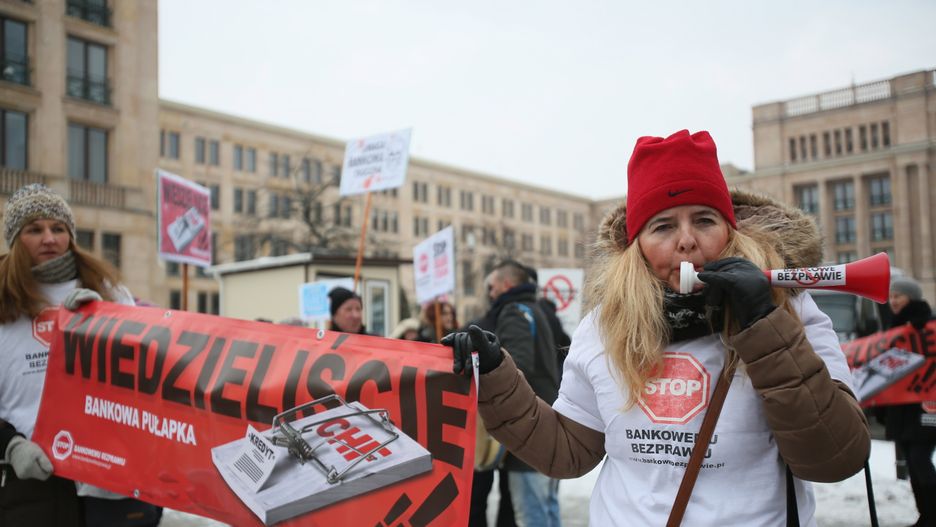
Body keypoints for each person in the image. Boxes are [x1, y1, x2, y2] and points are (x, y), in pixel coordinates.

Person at [443, 130, 870, 526]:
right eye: (663, 226)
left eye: (704, 220)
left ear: (729, 231)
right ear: (637, 247)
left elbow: (834, 458)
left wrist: (762, 324)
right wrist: (497, 376)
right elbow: (567, 450)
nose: (686, 241)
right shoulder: (605, 324)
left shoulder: (788, 311)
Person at [0, 184, 162, 526]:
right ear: (15, 240)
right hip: (34, 482)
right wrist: (10, 446)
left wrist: (106, 322)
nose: (49, 238)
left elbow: (147, 373)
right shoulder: (4, 304)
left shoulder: (108, 291)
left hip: (110, 478)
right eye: (34, 229)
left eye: (58, 229)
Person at [475, 260, 562, 527]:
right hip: (546, 427)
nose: (490, 293)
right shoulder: (536, 309)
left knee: (532, 516)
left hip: (527, 433)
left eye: (491, 286)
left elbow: (516, 366)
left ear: (506, 284)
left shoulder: (513, 312)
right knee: (548, 510)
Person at [879, 276, 936, 527]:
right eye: (891, 296)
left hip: (924, 406)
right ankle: (925, 514)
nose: (893, 301)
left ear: (910, 298)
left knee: (920, 459)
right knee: (913, 465)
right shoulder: (894, 326)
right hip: (902, 409)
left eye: (898, 296)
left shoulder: (927, 325)